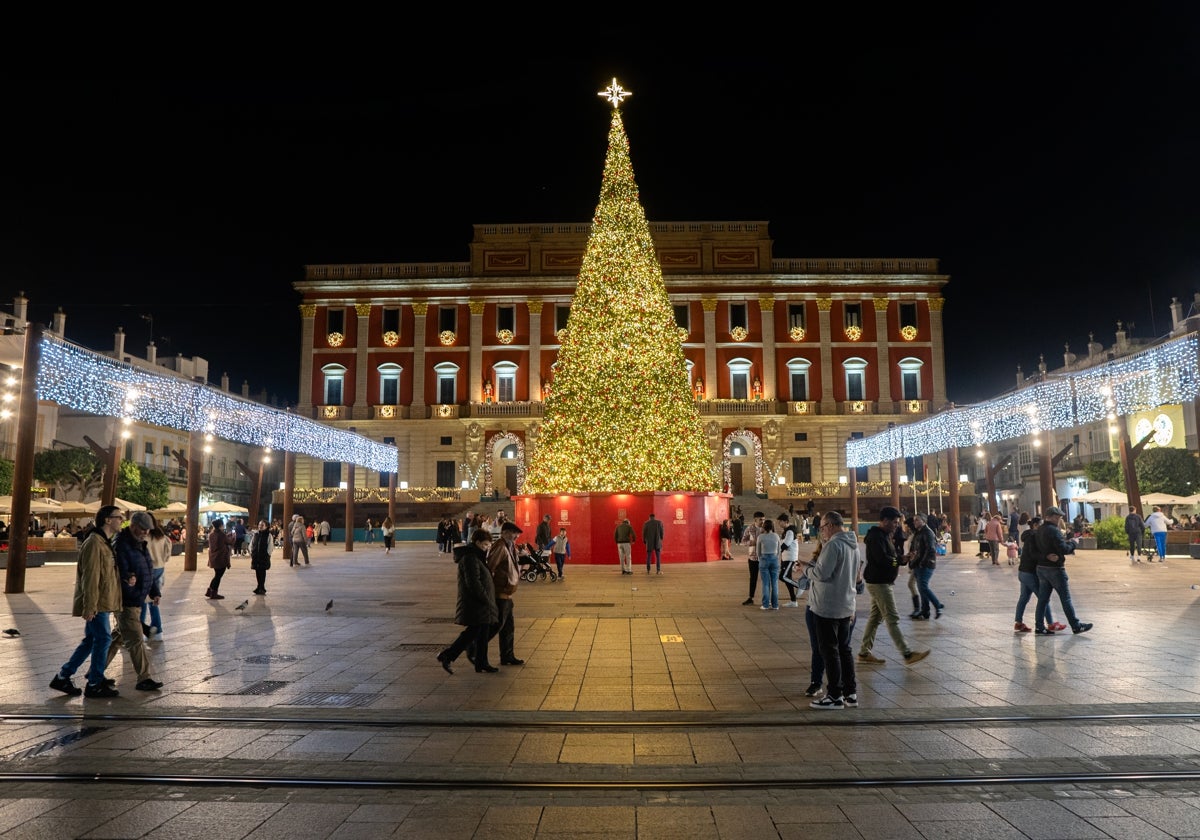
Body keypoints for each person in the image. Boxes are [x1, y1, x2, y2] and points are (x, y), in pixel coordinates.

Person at [49, 505, 125, 699]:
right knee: (104, 639)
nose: (122, 520)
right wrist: (90, 606)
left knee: (91, 640)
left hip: (102, 600)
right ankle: (94, 683)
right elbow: (90, 578)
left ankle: (63, 676)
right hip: (97, 602)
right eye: (119, 517)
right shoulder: (94, 543)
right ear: (107, 520)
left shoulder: (104, 541)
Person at [857, 506, 931, 666]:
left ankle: (864, 652)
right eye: (894, 522)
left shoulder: (883, 536)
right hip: (879, 582)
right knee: (892, 617)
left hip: (881, 580)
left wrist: (902, 558)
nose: (896, 525)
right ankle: (907, 653)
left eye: (898, 523)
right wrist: (899, 560)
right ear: (884, 521)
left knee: (875, 618)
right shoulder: (876, 537)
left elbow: (889, 556)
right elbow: (881, 559)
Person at [804, 511, 859, 709]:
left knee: (829, 651)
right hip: (845, 604)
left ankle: (835, 695)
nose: (822, 531)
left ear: (831, 525)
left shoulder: (834, 545)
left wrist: (806, 569)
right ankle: (850, 692)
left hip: (827, 606)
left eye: (823, 526)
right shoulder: (853, 545)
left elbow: (821, 573)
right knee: (844, 650)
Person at [106, 511, 164, 692]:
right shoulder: (121, 544)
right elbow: (119, 570)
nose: (146, 532)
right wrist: (129, 582)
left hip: (137, 598)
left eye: (148, 529)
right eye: (143, 529)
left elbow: (148, 569)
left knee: (117, 638)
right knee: (136, 639)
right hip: (126, 600)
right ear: (133, 526)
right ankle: (144, 678)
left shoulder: (140, 544)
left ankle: (95, 671)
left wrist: (154, 591)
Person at [436, 528, 500, 674]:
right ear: (477, 543)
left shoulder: (476, 556)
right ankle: (449, 656)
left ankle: (479, 662)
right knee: (475, 632)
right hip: (475, 603)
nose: (487, 548)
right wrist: (487, 599)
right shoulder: (470, 558)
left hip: (480, 603)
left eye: (488, 546)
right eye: (485, 545)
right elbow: (473, 583)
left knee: (479, 633)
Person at [1033, 506, 1093, 635]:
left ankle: (1039, 625)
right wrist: (1073, 543)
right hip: (1055, 569)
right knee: (1065, 599)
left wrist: (1045, 556)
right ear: (1054, 517)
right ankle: (1076, 625)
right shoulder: (1054, 531)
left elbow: (1036, 549)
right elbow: (1064, 549)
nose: (1059, 520)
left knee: (1043, 599)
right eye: (1059, 518)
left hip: (1042, 568)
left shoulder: (1040, 529)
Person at [484, 520, 525, 666]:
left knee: (508, 628)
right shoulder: (500, 546)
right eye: (514, 533)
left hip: (508, 594)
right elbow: (490, 567)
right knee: (496, 626)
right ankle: (474, 647)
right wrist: (489, 591)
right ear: (505, 533)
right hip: (500, 594)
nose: (516, 537)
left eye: (517, 534)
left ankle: (507, 656)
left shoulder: (510, 546)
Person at [1013, 515, 1063, 633]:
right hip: (1029, 572)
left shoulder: (1029, 535)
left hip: (1023, 571)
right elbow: (1034, 554)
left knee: (1024, 597)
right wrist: (1047, 556)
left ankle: (1018, 622)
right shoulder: (1034, 537)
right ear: (1035, 526)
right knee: (1043, 598)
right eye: (1041, 525)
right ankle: (1050, 623)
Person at [906, 513, 944, 620]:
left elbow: (930, 549)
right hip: (918, 563)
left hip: (926, 564)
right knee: (921, 588)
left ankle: (938, 605)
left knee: (923, 587)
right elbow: (915, 547)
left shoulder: (927, 533)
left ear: (924, 521)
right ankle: (925, 611)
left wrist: (922, 562)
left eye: (917, 520)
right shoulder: (918, 533)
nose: (915, 522)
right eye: (914, 520)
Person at [140, 514, 171, 638]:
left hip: (147, 569)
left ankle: (140, 630)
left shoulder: (143, 537)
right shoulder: (161, 536)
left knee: (142, 600)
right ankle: (157, 630)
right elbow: (167, 555)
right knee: (154, 599)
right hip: (160, 568)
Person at [755, 518, 780, 610]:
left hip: (764, 559)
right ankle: (775, 605)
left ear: (764, 527)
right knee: (775, 582)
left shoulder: (760, 537)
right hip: (774, 559)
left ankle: (765, 604)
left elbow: (758, 552)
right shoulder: (776, 536)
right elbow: (779, 550)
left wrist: (761, 559)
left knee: (765, 583)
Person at [776, 513, 800, 607]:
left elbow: (786, 544)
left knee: (783, 577)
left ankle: (800, 586)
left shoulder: (790, 531)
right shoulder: (786, 531)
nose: (779, 524)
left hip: (790, 558)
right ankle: (793, 601)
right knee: (787, 579)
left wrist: (777, 552)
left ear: (785, 521)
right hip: (786, 557)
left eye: (780, 522)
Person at [206, 518, 234, 599]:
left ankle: (210, 591)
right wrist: (233, 536)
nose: (224, 525)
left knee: (217, 575)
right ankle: (214, 593)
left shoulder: (211, 534)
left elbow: (221, 542)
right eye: (223, 524)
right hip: (221, 558)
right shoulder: (221, 535)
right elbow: (230, 542)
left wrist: (227, 536)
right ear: (220, 526)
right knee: (218, 576)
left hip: (213, 558)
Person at [741, 511, 765, 605]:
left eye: (763, 519)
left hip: (764, 557)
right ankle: (751, 597)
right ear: (755, 519)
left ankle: (766, 598)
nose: (762, 521)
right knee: (753, 578)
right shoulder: (749, 528)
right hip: (753, 557)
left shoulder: (766, 528)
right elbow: (743, 541)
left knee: (765, 578)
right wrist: (751, 543)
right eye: (760, 519)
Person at [250, 519, 272, 595]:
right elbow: (252, 544)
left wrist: (268, 554)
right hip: (256, 556)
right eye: (259, 525)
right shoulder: (256, 534)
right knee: (257, 571)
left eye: (262, 525)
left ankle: (262, 587)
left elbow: (270, 546)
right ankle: (259, 586)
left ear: (266, 526)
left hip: (264, 556)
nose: (260, 526)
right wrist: (252, 552)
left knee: (262, 572)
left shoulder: (269, 535)